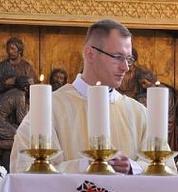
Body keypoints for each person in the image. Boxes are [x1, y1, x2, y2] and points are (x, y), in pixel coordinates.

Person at [10, 19, 149, 174]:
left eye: (128, 59)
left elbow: (167, 169)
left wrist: (132, 167)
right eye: (117, 57)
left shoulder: (138, 113)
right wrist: (85, 165)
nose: (126, 67)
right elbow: (24, 169)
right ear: (90, 54)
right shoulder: (48, 108)